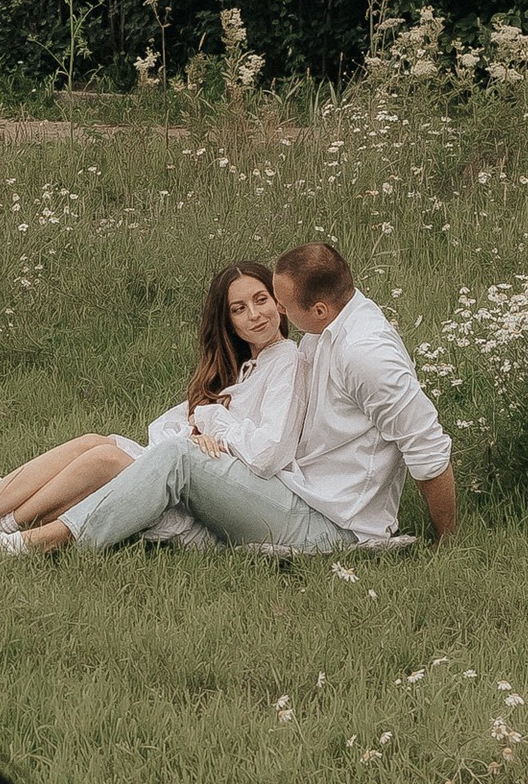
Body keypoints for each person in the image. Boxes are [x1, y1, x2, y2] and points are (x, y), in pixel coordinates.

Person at [26, 238, 455, 561]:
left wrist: (445, 543)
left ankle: (41, 543)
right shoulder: (323, 334)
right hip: (298, 493)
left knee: (177, 459)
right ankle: (19, 525)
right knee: (143, 457)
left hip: (335, 526)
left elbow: (429, 451)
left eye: (281, 304)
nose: (276, 314)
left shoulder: (367, 355)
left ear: (320, 309)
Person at [0, 261, 304, 549]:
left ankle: (0, 531)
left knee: (106, 460)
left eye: (261, 300)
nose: (255, 315)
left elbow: (268, 451)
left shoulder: (285, 358)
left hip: (221, 490)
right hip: (189, 470)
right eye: (239, 308)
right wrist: (200, 430)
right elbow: (168, 429)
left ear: (279, 303)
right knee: (95, 442)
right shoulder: (239, 366)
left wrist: (213, 430)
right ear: (227, 321)